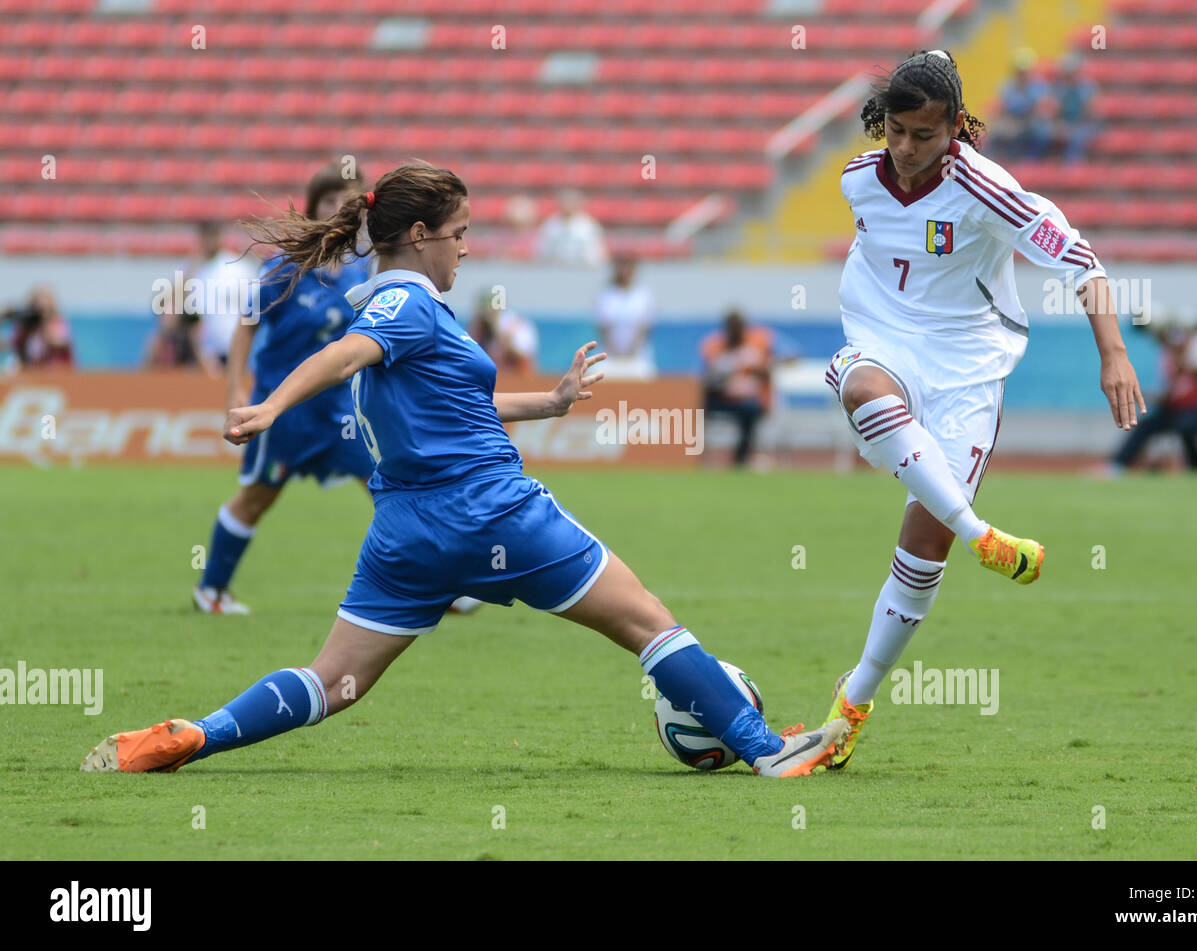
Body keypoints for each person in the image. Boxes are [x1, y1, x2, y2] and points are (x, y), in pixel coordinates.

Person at [81, 162, 847, 778]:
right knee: (648, 622)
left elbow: (455, 397)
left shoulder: (389, 306)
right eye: (459, 232)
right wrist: (269, 406)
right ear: (418, 235)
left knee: (333, 683)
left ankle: (197, 734)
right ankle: (763, 746)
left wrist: (548, 404)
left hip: (407, 534)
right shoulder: (403, 307)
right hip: (496, 510)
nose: (468, 247)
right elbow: (344, 354)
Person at [815, 50, 1145, 769]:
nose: (905, 149)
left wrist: (1114, 353)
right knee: (863, 388)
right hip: (883, 344)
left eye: (923, 136)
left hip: (969, 368)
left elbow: (1082, 262)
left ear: (957, 129)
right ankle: (982, 533)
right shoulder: (857, 181)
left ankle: (853, 700)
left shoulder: (989, 189)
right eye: (896, 131)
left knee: (922, 548)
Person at [191, 165, 378, 615]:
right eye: (330, 200)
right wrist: (236, 392)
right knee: (256, 498)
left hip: (341, 414)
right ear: (314, 207)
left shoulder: (363, 272)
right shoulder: (286, 266)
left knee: (390, 489)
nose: (339, 209)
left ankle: (437, 590)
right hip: (284, 411)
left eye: (348, 201)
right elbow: (246, 326)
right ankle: (211, 591)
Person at [1110, 314, 1197, 473]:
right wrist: (1147, 397)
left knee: (1186, 425)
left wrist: (1186, 363)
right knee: (1147, 425)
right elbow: (1172, 393)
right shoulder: (1170, 356)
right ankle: (1117, 466)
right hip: (1183, 408)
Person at [700, 310, 776, 468]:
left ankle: (740, 458)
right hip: (720, 398)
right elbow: (708, 377)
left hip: (745, 401)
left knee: (752, 410)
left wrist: (756, 368)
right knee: (695, 409)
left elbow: (767, 373)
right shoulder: (714, 347)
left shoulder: (756, 346)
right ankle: (696, 454)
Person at [188, 220, 260, 376]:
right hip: (208, 353)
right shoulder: (196, 271)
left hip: (236, 348)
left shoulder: (236, 267)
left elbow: (254, 307)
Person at [594, 255, 656, 379]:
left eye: (629, 267)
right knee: (596, 374)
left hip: (637, 356)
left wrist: (630, 355)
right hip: (609, 356)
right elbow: (604, 329)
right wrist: (615, 355)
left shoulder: (644, 296)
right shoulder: (606, 295)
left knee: (646, 373)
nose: (625, 271)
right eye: (622, 266)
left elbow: (643, 329)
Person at [467, 289, 539, 375]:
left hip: (518, 380)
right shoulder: (481, 329)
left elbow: (523, 358)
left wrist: (499, 334)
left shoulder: (516, 326)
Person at [534, 188, 608, 266]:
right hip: (555, 269)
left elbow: (595, 252)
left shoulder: (588, 225)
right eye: (565, 201)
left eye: (571, 202)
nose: (568, 205)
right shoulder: (550, 224)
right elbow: (543, 249)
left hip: (582, 269)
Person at [5, 286, 74, 368]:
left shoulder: (58, 323)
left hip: (55, 370)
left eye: (44, 309)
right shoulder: (26, 325)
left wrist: (44, 323)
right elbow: (14, 344)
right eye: (36, 308)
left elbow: (59, 343)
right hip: (30, 369)